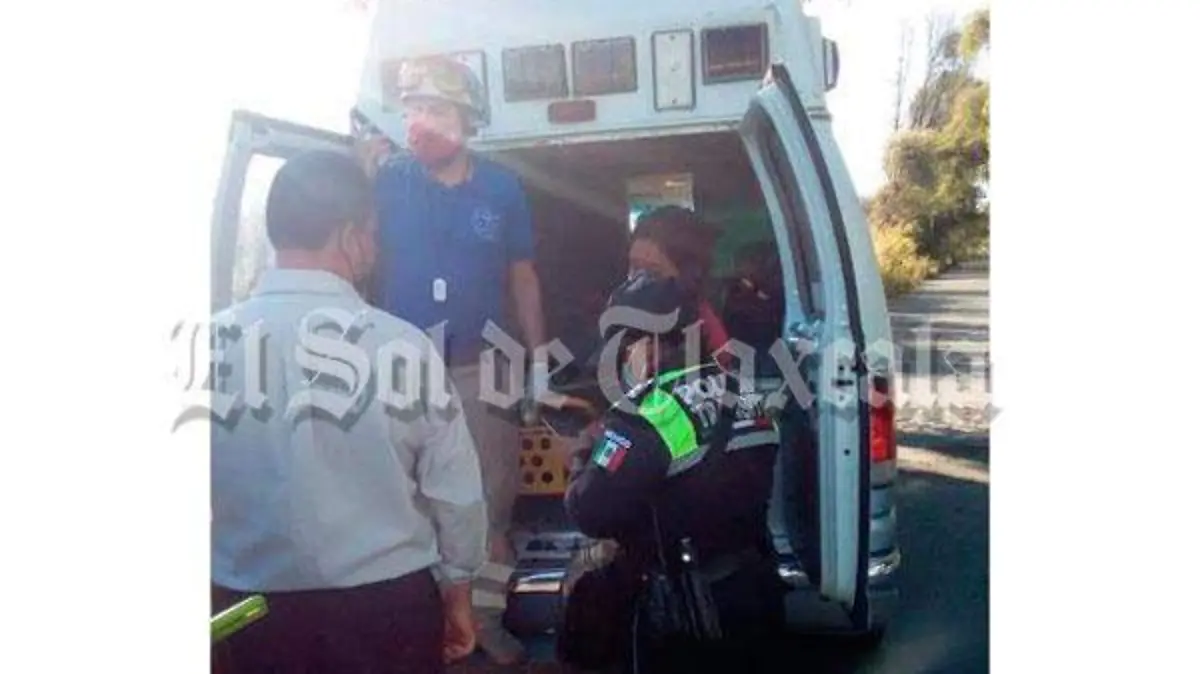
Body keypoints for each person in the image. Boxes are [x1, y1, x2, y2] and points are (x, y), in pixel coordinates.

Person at [210, 150, 487, 674]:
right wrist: (458, 591)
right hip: (386, 610)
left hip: (248, 611)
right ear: (349, 236)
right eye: (373, 235)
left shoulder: (209, 346)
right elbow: (455, 492)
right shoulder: (402, 347)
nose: (375, 249)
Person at [356, 54, 548, 665]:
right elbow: (348, 251)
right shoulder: (385, 181)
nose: (420, 122)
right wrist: (358, 174)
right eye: (412, 109)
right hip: (402, 370)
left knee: (491, 503)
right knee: (405, 503)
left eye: (435, 110)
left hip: (483, 364)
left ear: (467, 120)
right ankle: (424, 626)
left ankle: (484, 621)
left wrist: (539, 360)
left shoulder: (502, 188)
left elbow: (522, 276)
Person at [560, 271, 788, 674]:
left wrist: (581, 454)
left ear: (647, 344)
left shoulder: (646, 413)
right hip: (756, 592)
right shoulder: (747, 392)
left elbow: (589, 512)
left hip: (686, 615)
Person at [627, 206, 732, 362]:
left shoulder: (706, 338)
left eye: (653, 273)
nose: (637, 282)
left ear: (688, 276)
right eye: (635, 268)